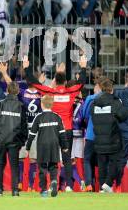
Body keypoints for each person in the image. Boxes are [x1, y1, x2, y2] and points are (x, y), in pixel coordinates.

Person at [23, 55, 87, 192]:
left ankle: (47, 184)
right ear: (65, 82)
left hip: (52, 129)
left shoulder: (49, 92)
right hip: (67, 129)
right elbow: (81, 82)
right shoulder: (71, 92)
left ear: (55, 82)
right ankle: (68, 186)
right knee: (67, 158)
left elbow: (34, 83)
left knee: (50, 157)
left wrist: (26, 68)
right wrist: (83, 66)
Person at [0, 63, 42, 192]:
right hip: (35, 129)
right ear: (37, 80)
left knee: (21, 158)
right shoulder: (41, 93)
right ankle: (30, 186)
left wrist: (4, 73)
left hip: (22, 129)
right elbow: (53, 88)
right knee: (34, 159)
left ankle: (19, 184)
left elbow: (10, 85)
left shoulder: (22, 93)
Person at [90, 78, 128, 193]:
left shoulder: (94, 103)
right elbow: (123, 116)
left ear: (102, 89)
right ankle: (108, 183)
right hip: (113, 139)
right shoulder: (115, 102)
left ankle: (103, 187)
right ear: (112, 90)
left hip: (99, 139)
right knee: (115, 162)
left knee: (102, 165)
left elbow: (91, 117)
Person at [26, 95, 69, 198]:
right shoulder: (57, 117)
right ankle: (54, 181)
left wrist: (28, 146)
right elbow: (62, 134)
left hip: (42, 145)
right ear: (52, 104)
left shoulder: (38, 117)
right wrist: (65, 146)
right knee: (53, 165)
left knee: (42, 167)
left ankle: (44, 190)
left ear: (41, 104)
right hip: (54, 144)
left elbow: (32, 134)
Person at [0, 81, 27, 197]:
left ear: (7, 90)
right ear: (18, 91)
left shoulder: (0, 104)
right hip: (14, 141)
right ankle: (15, 191)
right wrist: (21, 141)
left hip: (1, 140)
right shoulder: (21, 106)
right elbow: (24, 127)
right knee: (14, 166)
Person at [80, 77, 105, 192]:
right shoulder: (110, 99)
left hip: (91, 134)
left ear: (99, 87)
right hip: (104, 136)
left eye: (95, 86)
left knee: (87, 160)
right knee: (102, 161)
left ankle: (89, 185)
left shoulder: (90, 98)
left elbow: (84, 115)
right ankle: (102, 187)